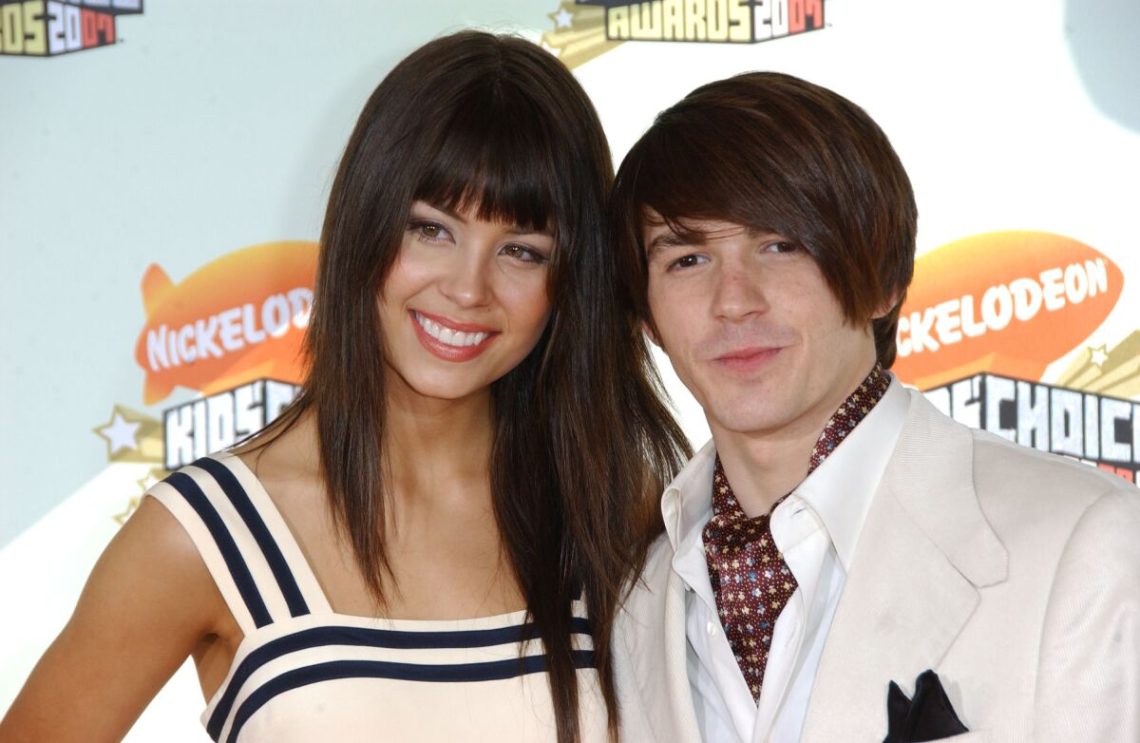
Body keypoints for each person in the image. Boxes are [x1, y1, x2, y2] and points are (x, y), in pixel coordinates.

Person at [0, 31, 688, 743]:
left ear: (571, 279)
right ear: (364, 221)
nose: (467, 289)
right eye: (431, 230)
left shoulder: (614, 508)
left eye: (521, 250)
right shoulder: (208, 532)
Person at [609, 71, 1140, 742]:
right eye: (687, 259)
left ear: (884, 279)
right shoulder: (629, 601)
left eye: (780, 245)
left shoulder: (1085, 542)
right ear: (648, 317)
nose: (734, 300)